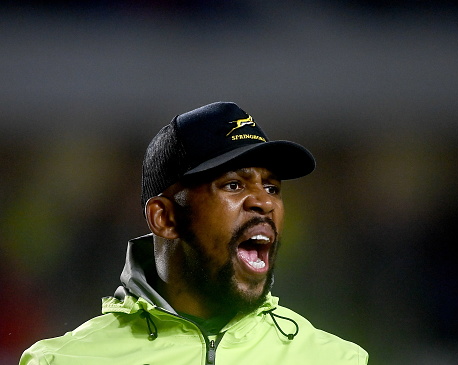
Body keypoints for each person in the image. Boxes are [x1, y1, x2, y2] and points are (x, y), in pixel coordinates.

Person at [20, 102, 368, 364]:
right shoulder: (63, 360)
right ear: (165, 218)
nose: (264, 202)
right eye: (233, 184)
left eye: (273, 188)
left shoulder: (337, 359)